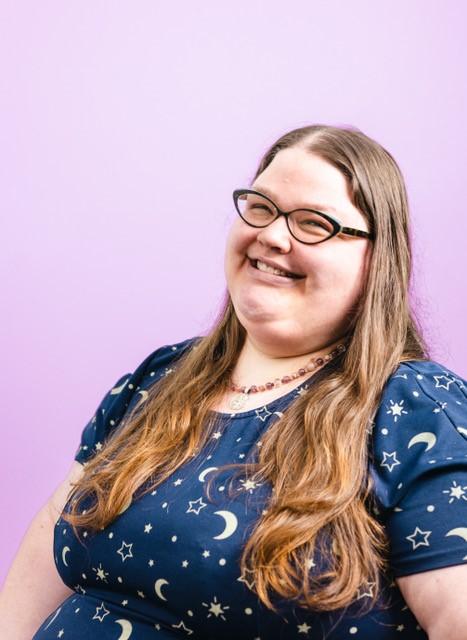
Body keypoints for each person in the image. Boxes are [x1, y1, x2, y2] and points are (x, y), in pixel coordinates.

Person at [1, 124, 466, 640]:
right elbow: (45, 551)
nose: (271, 235)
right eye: (261, 207)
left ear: (376, 260)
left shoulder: (416, 409)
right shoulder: (159, 380)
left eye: (313, 223)